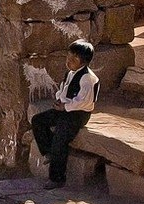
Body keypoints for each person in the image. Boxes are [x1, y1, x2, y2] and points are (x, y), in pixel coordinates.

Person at [31, 39, 100, 190]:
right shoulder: (70, 73)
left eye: (74, 59)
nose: (69, 61)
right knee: (38, 121)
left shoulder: (88, 78)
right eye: (68, 57)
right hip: (64, 109)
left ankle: (57, 178)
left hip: (78, 114)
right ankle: (49, 152)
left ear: (84, 61)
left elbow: (84, 102)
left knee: (60, 139)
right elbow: (64, 89)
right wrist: (59, 99)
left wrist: (65, 106)